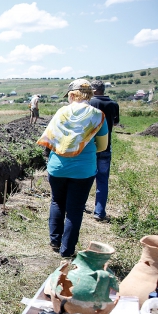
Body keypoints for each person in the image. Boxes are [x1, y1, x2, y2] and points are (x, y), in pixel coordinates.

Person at [37, 79, 108, 258]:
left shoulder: (61, 112)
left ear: (71, 95)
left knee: (57, 202)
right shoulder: (98, 116)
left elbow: (50, 138)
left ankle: (55, 240)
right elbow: (102, 146)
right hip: (83, 170)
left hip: (57, 167)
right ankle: (67, 250)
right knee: (75, 209)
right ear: (89, 94)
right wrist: (83, 148)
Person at [88, 80, 119, 221]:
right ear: (104, 90)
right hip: (106, 146)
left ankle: (80, 205)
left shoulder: (89, 103)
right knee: (102, 180)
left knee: (85, 177)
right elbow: (116, 122)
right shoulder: (113, 104)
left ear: (93, 90)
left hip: (90, 146)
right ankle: (99, 212)